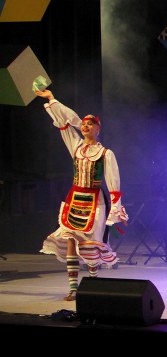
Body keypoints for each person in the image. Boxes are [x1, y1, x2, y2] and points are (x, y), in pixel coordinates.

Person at [35, 89, 128, 301]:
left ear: (98, 129)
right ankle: (74, 288)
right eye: (83, 124)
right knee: (70, 240)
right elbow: (64, 123)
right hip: (75, 199)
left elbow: (113, 182)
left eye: (90, 124)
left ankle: (92, 283)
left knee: (90, 245)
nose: (85, 126)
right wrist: (51, 99)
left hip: (96, 202)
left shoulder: (105, 153)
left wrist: (116, 207)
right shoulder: (76, 147)